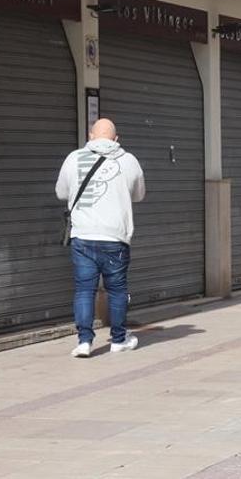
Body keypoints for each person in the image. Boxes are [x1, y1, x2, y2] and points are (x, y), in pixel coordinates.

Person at [56, 118, 146, 358]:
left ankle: (84, 341)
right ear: (116, 139)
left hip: (83, 235)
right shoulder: (128, 160)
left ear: (90, 136)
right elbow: (138, 195)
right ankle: (118, 340)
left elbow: (61, 192)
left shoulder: (73, 158)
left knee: (84, 289)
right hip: (114, 237)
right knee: (116, 290)